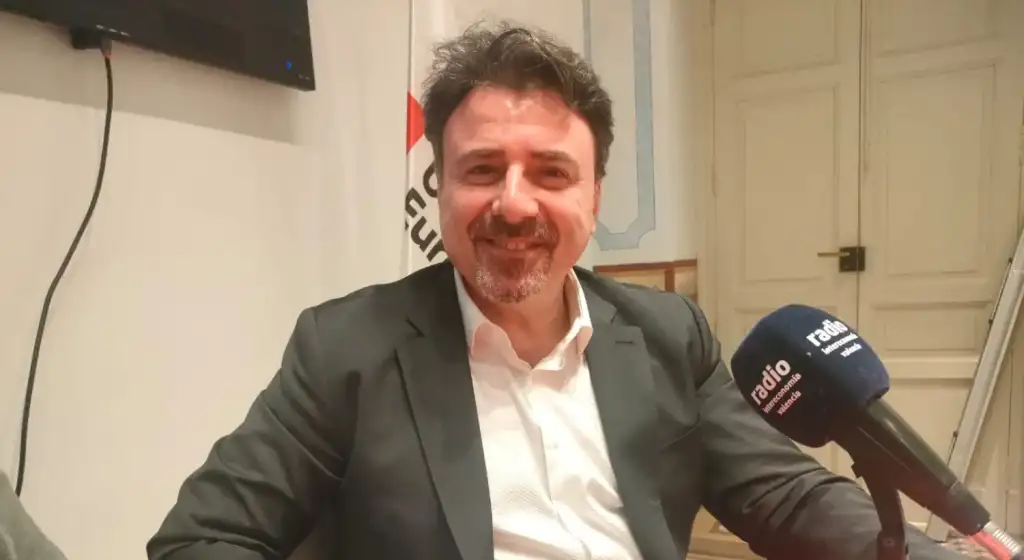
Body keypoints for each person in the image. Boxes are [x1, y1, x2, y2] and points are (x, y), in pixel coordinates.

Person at [147, 21, 966, 560]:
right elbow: (201, 540)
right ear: (440, 189)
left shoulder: (668, 334)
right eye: (481, 170)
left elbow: (784, 493)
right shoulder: (345, 350)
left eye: (550, 173)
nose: (513, 204)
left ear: (595, 195)